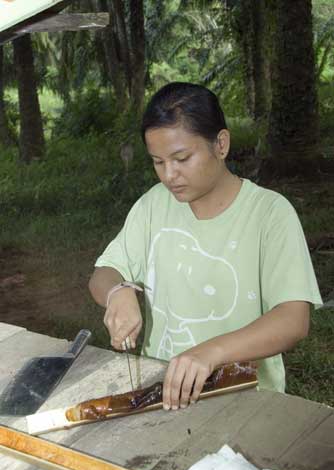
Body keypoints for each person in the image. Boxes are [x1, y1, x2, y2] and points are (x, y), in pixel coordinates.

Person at [89, 82, 322, 411]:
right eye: (157, 162)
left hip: (248, 402)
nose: (169, 175)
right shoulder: (154, 206)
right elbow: (104, 273)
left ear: (221, 144)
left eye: (182, 158)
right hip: (162, 394)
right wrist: (118, 292)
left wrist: (211, 353)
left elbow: (292, 320)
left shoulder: (270, 214)